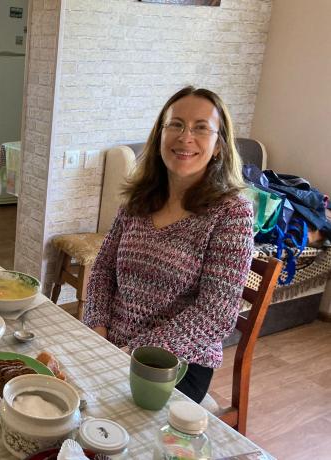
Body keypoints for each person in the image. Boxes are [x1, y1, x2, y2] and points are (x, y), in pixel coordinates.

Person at [83, 86, 254, 403]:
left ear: (218, 145)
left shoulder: (231, 213)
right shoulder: (139, 201)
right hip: (112, 345)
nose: (185, 137)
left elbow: (215, 316)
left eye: (201, 128)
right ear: (159, 135)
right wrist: (97, 328)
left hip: (177, 365)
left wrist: (131, 353)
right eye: (175, 124)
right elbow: (103, 270)